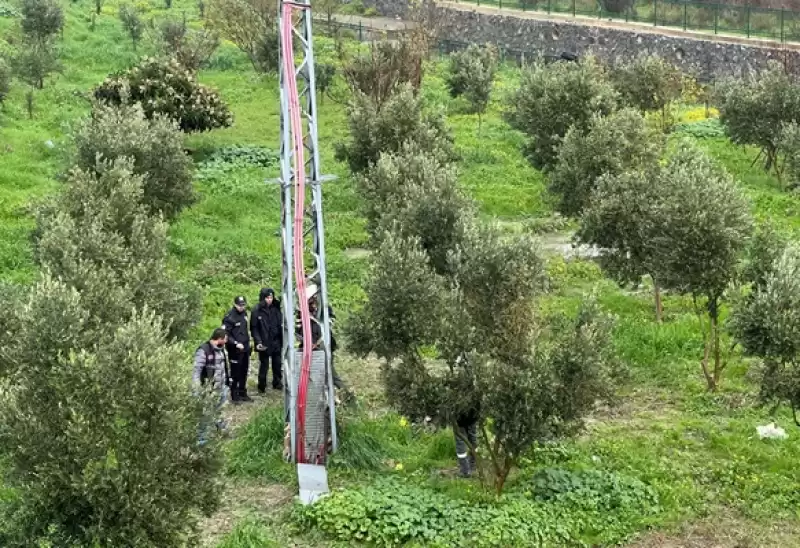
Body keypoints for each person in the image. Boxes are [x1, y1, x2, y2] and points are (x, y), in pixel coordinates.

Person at [193, 328, 230, 445]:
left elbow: (223, 369)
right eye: (225, 339)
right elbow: (196, 371)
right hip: (208, 390)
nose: (226, 341)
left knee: (220, 411)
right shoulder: (203, 351)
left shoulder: (221, 350)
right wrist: (196, 388)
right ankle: (201, 440)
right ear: (219, 339)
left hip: (221, 387)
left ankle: (221, 431)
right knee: (205, 416)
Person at [251, 287, 283, 393]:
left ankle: (277, 382)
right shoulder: (257, 310)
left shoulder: (276, 308)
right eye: (267, 298)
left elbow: (280, 324)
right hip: (264, 341)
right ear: (263, 298)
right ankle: (262, 385)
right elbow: (254, 328)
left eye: (271, 297)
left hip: (276, 340)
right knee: (264, 365)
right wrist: (258, 341)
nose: (269, 300)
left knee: (277, 363)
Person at [222, 296, 252, 403]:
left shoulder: (244, 314)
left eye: (243, 305)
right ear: (235, 304)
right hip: (235, 350)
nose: (242, 307)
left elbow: (244, 330)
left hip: (245, 348)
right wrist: (235, 343)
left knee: (244, 371)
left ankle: (242, 392)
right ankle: (234, 395)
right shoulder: (229, 317)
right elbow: (226, 335)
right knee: (235, 373)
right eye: (240, 305)